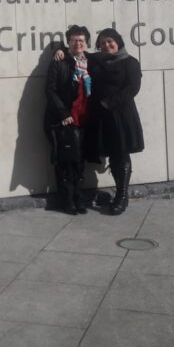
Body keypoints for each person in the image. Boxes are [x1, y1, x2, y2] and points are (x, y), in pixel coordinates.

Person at [90, 28, 144, 215]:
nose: (106, 45)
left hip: (122, 114)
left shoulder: (130, 62)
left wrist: (110, 102)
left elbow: (133, 88)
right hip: (103, 116)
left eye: (109, 41)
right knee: (113, 154)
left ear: (118, 42)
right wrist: (59, 50)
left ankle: (122, 196)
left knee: (121, 153)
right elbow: (77, 51)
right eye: (102, 43)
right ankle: (120, 194)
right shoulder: (98, 61)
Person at [44, 25, 93, 215]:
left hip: (83, 118)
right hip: (63, 119)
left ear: (86, 42)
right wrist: (64, 114)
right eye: (74, 40)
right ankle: (68, 200)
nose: (78, 43)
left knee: (79, 161)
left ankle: (78, 197)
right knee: (65, 160)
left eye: (81, 40)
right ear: (68, 42)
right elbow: (50, 90)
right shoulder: (59, 61)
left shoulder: (90, 62)